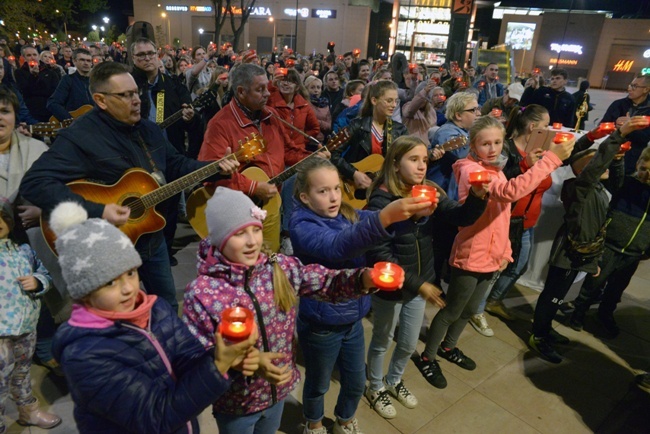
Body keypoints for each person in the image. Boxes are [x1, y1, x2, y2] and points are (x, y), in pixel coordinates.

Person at [19, 62, 238, 314]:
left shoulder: (149, 129)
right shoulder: (80, 136)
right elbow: (35, 183)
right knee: (118, 316)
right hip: (108, 246)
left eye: (136, 93)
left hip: (151, 237)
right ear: (101, 100)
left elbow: (176, 164)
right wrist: (97, 210)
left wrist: (215, 167)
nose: (136, 100)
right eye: (126, 95)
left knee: (166, 305)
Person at [50, 201, 258, 433]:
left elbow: (188, 358)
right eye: (110, 282)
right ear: (84, 291)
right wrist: (219, 365)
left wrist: (224, 359)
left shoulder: (154, 308)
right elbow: (155, 418)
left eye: (130, 272)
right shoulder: (84, 355)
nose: (129, 288)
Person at [183, 187, 378, 434]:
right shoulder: (202, 293)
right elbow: (196, 355)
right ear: (220, 239)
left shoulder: (278, 267)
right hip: (236, 403)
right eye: (240, 233)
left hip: (277, 393)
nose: (253, 241)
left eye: (255, 229)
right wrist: (245, 361)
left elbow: (322, 280)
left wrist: (362, 279)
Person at [417, 116, 573, 387]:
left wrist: (504, 251)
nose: (492, 148)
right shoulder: (470, 169)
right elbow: (509, 193)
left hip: (491, 253)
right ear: (473, 145)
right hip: (471, 251)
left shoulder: (494, 166)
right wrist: (551, 160)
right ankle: (428, 358)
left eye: (498, 142)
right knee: (452, 310)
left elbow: (501, 215)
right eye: (485, 143)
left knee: (469, 310)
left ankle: (448, 347)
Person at [290, 158, 433, 434]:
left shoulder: (344, 213)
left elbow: (370, 225)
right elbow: (337, 246)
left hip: (353, 318)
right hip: (321, 324)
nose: (333, 197)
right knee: (318, 384)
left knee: (356, 382)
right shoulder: (301, 224)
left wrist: (413, 215)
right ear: (304, 197)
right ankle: (314, 423)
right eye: (323, 191)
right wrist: (387, 215)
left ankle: (344, 421)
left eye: (336, 188)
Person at [364, 135, 487, 417]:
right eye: (413, 160)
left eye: (423, 160)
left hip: (420, 285)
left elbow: (460, 216)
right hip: (392, 288)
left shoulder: (426, 190)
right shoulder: (382, 201)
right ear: (395, 164)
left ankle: (394, 380)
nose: (422, 166)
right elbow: (381, 254)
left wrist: (478, 198)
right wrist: (422, 286)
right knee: (382, 339)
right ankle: (375, 386)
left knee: (407, 343)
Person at [528, 117, 647, 363]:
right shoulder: (578, 188)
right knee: (553, 295)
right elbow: (593, 166)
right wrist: (618, 136)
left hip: (581, 253)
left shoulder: (598, 190)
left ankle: (546, 326)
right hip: (568, 253)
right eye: (593, 164)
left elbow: (612, 177)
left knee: (558, 296)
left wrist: (611, 152)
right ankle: (538, 335)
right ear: (583, 170)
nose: (599, 166)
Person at [471, 105, 552, 335]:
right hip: (509, 219)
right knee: (495, 268)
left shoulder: (539, 149)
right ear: (533, 127)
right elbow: (505, 185)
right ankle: (476, 310)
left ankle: (493, 301)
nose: (548, 131)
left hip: (528, 220)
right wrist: (527, 165)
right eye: (545, 126)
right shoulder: (507, 150)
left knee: (518, 265)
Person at [199, 63, 291, 252]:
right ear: (241, 92)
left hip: (271, 203)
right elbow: (209, 173)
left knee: (269, 260)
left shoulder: (272, 115)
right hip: (237, 213)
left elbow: (288, 151)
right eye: (260, 89)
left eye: (267, 87)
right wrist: (253, 186)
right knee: (242, 268)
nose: (268, 93)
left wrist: (314, 158)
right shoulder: (220, 124)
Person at [568, 145, 650, 335]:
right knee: (594, 283)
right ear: (637, 164)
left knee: (616, 289)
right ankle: (578, 312)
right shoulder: (628, 184)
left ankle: (605, 314)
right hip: (610, 245)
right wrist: (618, 160)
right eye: (643, 168)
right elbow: (616, 178)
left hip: (634, 253)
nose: (645, 175)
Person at [130, 38, 199, 265]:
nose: (147, 58)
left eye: (151, 53)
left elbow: (187, 115)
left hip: (168, 156)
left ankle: (165, 252)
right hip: (135, 157)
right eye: (141, 55)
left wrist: (189, 118)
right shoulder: (128, 86)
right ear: (133, 59)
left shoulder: (171, 85)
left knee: (168, 208)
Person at [0, 197, 61, 432]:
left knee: (22, 373)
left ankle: (27, 410)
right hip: (1, 332)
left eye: (4, 216)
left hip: (27, 327)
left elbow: (45, 274)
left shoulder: (24, 250)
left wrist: (37, 281)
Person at [331, 80, 408, 200]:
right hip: (356, 190)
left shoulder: (400, 130)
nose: (394, 105)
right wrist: (353, 173)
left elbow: (407, 159)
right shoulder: (357, 125)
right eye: (389, 101)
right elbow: (333, 153)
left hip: (386, 189)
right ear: (374, 100)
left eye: (396, 101)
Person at [600, 74, 650, 174]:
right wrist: (615, 125)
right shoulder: (618, 104)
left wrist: (630, 127)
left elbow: (645, 138)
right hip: (609, 155)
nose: (630, 89)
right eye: (630, 85)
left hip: (633, 159)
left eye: (635, 86)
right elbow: (602, 126)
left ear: (646, 89)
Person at [14, 45, 61, 122]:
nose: (32, 57)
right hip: (31, 110)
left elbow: (54, 91)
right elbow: (26, 91)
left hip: (49, 109)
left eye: (34, 55)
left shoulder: (50, 72)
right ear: (24, 58)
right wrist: (33, 76)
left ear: (39, 56)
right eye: (29, 55)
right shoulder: (19, 73)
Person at [46, 48, 94, 122]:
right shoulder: (68, 80)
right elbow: (53, 103)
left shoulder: (97, 81)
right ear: (74, 61)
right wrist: (70, 119)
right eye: (82, 60)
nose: (86, 63)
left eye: (88, 60)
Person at [304, 75, 332, 143]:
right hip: (307, 140)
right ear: (306, 89)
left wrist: (317, 122)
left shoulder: (325, 104)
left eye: (318, 87)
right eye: (312, 87)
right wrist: (321, 123)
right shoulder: (304, 103)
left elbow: (329, 125)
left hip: (321, 140)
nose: (316, 90)